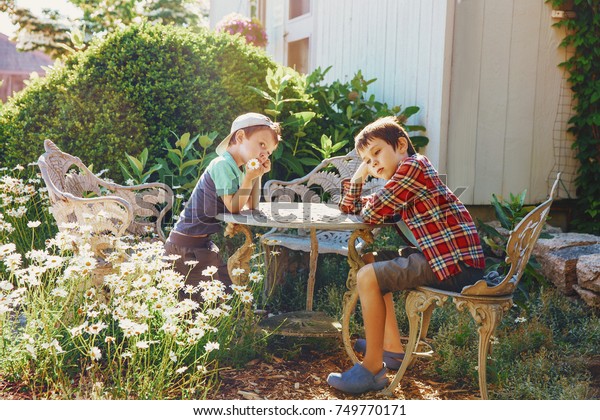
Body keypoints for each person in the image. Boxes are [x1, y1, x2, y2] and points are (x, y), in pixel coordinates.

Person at [327, 116, 485, 394]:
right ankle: (391, 347)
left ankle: (372, 369)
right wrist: (357, 177)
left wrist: (363, 187)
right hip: (442, 258)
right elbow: (353, 207)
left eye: (376, 153)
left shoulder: (414, 166)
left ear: (401, 145)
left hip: (455, 265)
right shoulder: (404, 177)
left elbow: (372, 212)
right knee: (371, 260)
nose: (372, 164)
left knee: (368, 276)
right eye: (365, 160)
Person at [164, 112, 281, 301]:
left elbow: (251, 205)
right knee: (203, 303)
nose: (264, 154)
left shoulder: (238, 169)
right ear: (240, 137)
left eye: (268, 152)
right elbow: (234, 207)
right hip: (184, 248)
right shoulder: (222, 165)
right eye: (262, 145)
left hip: (200, 245)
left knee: (224, 291)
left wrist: (257, 175)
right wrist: (249, 178)